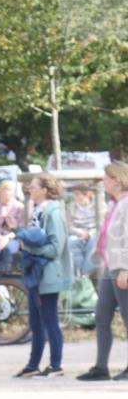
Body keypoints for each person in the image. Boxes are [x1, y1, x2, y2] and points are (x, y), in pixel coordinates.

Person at [14, 174, 73, 379]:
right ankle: (33, 365)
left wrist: (29, 248)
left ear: (45, 190)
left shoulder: (53, 213)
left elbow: (56, 248)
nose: (30, 189)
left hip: (48, 274)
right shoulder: (38, 211)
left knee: (49, 320)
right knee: (35, 321)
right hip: (36, 274)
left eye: (34, 186)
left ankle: (56, 365)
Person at [77, 163, 128, 381]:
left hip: (121, 267)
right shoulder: (114, 204)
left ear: (117, 179)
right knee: (101, 316)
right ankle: (101, 367)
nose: (103, 182)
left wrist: (126, 268)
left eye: (106, 178)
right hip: (109, 266)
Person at [68, 187, 98, 277]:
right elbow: (69, 226)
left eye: (78, 194)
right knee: (71, 241)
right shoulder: (71, 206)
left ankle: (86, 273)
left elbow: (102, 225)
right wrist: (80, 232)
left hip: (93, 233)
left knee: (94, 242)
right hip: (78, 233)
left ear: (87, 194)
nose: (75, 197)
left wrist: (89, 234)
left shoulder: (99, 204)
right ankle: (79, 273)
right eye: (74, 194)